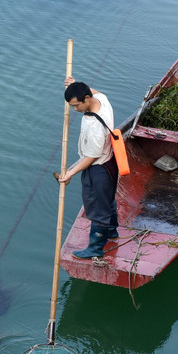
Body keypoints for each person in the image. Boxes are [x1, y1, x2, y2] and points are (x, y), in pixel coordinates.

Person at [58, 78, 119, 259]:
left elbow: (91, 157)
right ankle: (112, 231)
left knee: (96, 207)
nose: (75, 110)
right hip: (110, 163)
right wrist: (75, 83)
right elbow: (95, 91)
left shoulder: (94, 126)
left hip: (98, 169)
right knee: (107, 200)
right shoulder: (102, 101)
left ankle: (95, 248)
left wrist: (70, 173)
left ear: (86, 98)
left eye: (77, 106)